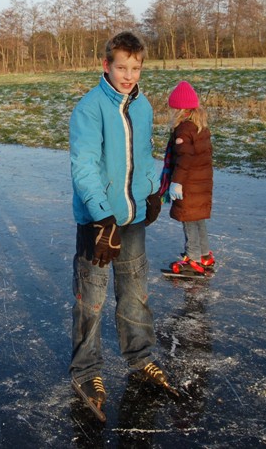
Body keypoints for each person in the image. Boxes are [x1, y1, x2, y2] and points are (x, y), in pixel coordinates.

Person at [68, 31, 176, 422]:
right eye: (121, 67)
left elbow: (144, 156)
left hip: (131, 219)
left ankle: (140, 357)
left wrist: (152, 193)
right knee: (92, 299)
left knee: (135, 293)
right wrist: (102, 217)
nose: (129, 75)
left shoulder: (142, 105)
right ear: (106, 65)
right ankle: (86, 372)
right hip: (99, 224)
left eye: (135, 68)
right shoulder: (89, 108)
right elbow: (84, 167)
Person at [161, 81, 214, 274]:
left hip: (189, 185)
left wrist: (176, 182)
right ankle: (204, 255)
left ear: (181, 109)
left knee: (189, 220)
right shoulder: (200, 127)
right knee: (198, 219)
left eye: (174, 109)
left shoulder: (184, 130)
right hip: (201, 184)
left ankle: (193, 259)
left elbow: (184, 159)